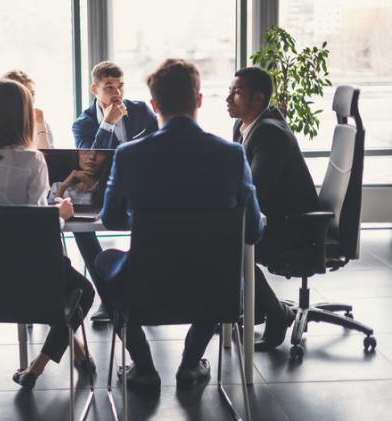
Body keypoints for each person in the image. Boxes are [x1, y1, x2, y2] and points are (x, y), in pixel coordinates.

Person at [95, 59, 264, 391]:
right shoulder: (231, 155)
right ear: (198, 100)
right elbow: (253, 231)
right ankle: (189, 364)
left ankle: (143, 366)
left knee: (103, 263)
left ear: (154, 105)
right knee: (217, 272)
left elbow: (112, 218)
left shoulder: (129, 156)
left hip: (146, 287)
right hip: (214, 289)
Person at [0, 79, 96, 389]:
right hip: (30, 273)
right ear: (24, 116)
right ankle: (39, 365)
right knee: (82, 290)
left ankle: (65, 355)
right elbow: (37, 229)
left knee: (61, 282)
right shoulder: (31, 160)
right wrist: (59, 213)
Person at [226, 66, 319, 350]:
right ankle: (252, 310)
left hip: (293, 226)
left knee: (230, 247)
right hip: (272, 217)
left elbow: (253, 188)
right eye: (230, 90)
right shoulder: (244, 125)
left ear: (258, 99)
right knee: (225, 239)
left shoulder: (269, 133)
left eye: (237, 92)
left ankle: (276, 314)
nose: (228, 97)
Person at [71, 61, 159, 322]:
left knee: (153, 223)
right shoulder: (83, 124)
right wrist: (107, 125)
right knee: (79, 229)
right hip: (101, 192)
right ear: (94, 89)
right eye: (110, 87)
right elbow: (91, 164)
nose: (117, 93)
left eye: (120, 86)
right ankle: (109, 297)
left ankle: (138, 291)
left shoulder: (141, 111)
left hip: (141, 190)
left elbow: (156, 149)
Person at [0, 69, 53, 149]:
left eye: (32, 94)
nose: (30, 99)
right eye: (24, 94)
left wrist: (40, 126)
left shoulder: (40, 123)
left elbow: (50, 158)